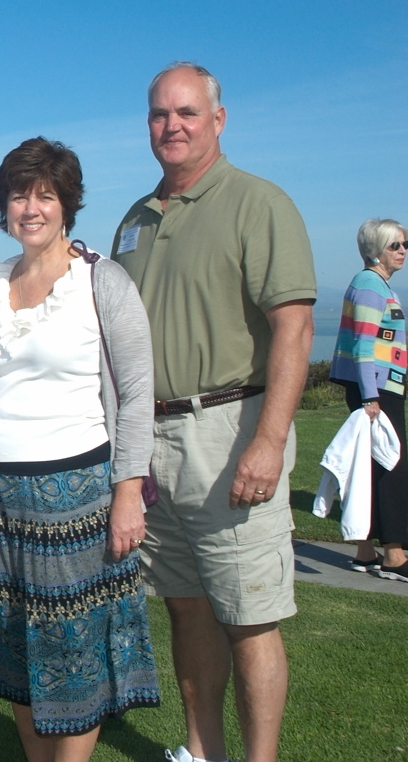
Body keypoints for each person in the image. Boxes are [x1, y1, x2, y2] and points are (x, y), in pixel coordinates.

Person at [111, 63, 315, 762]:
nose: (171, 126)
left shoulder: (257, 203)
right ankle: (203, 752)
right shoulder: (134, 219)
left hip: (228, 432)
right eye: (159, 115)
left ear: (217, 121)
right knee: (185, 605)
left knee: (248, 616)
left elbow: (292, 329)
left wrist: (267, 442)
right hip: (149, 440)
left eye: (187, 113)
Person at [0, 137, 160, 762]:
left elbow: (136, 391)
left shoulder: (102, 281)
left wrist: (128, 490)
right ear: (5, 206)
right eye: (20, 194)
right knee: (17, 641)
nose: (32, 207)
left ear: (66, 204)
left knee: (72, 649)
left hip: (76, 495)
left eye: (46, 194)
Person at [328, 218, 408, 580]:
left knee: (372, 466)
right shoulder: (370, 286)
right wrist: (371, 397)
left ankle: (364, 550)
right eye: (395, 246)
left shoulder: (376, 285)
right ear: (375, 250)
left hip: (379, 388)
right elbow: (362, 346)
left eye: (405, 245)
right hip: (375, 389)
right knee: (392, 467)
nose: (403, 252)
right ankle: (394, 555)